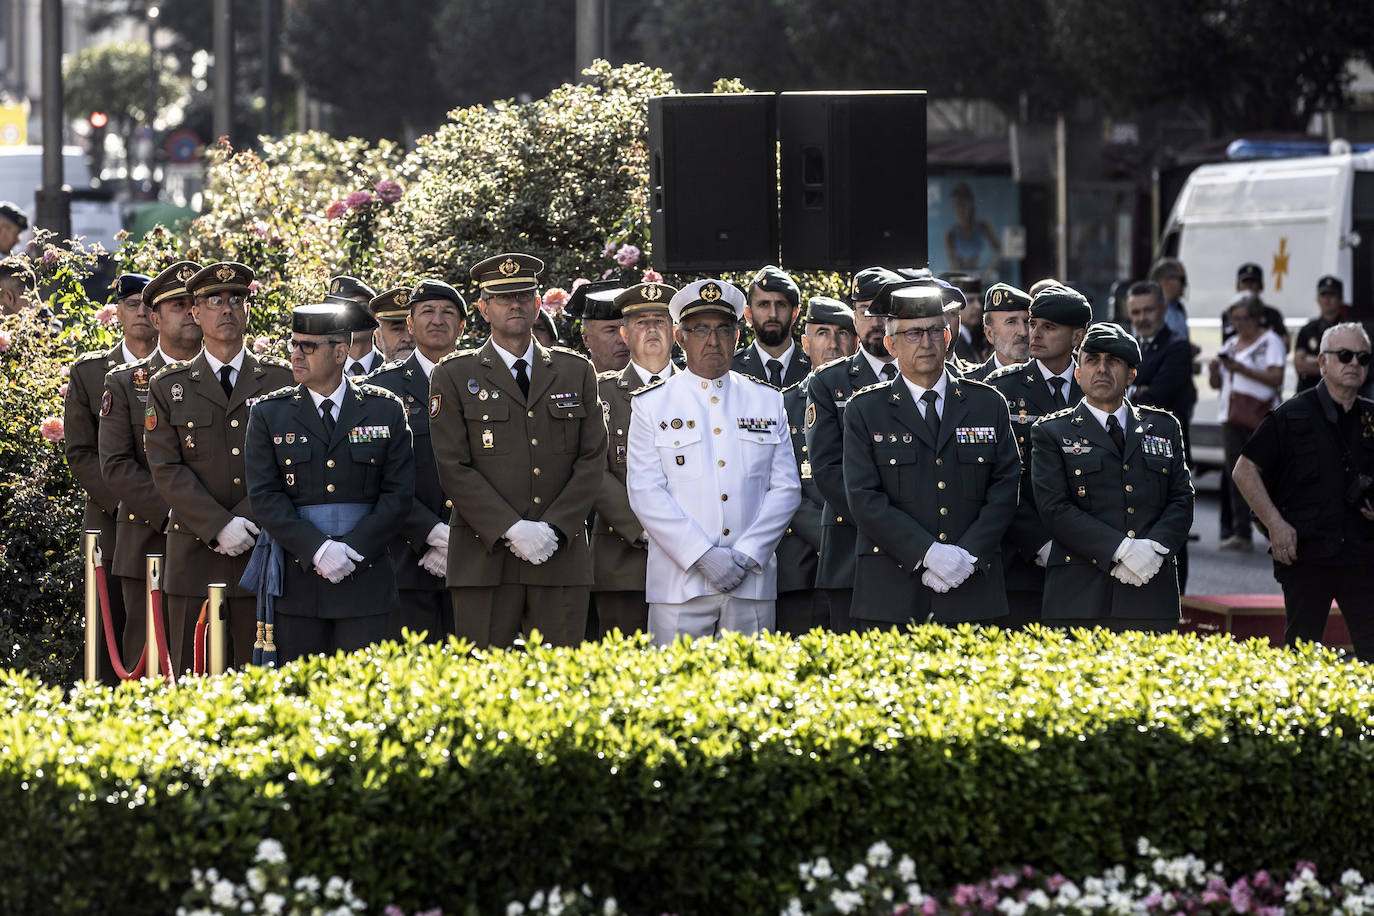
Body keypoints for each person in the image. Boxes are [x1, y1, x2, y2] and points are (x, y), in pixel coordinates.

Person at [430, 252, 607, 648]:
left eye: (524, 295)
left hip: (559, 554)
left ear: (538, 302)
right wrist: (511, 528)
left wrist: (555, 527)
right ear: (483, 308)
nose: (515, 304)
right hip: (484, 557)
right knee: (484, 685)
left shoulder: (576, 371)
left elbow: (592, 458)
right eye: (502, 297)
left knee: (561, 683)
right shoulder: (454, 375)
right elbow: (452, 465)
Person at [626, 279, 800, 644]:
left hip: (750, 581)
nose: (713, 340)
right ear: (680, 336)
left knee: (752, 689)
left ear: (738, 335)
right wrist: (702, 556)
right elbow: (645, 493)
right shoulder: (651, 404)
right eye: (700, 329)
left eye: (723, 329)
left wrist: (747, 555)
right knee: (674, 690)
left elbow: (785, 489)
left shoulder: (767, 400)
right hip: (679, 584)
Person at [843, 280, 1019, 628]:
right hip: (893, 590)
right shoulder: (864, 410)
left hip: (973, 585)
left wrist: (966, 556)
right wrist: (926, 552)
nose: (925, 342)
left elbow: (1005, 487)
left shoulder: (988, 404)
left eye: (934, 331)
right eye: (912, 334)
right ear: (891, 345)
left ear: (948, 338)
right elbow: (864, 499)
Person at [145, 261, 294, 670]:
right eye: (214, 301)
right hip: (194, 555)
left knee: (258, 683)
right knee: (191, 679)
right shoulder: (167, 387)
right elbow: (166, 468)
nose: (226, 309)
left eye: (236, 300)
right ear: (196, 312)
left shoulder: (279, 380)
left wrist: (244, 521)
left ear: (247, 310)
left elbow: (290, 463)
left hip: (260, 551)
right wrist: (217, 526)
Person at [244, 304, 413, 661]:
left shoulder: (386, 409)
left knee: (364, 701)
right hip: (299, 581)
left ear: (340, 352)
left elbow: (398, 495)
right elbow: (265, 496)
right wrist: (318, 550)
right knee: (299, 699)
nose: (296, 355)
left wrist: (353, 550)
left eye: (308, 346)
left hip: (365, 580)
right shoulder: (268, 413)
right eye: (294, 344)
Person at [1031, 323, 1193, 631]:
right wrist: (1123, 550)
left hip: (1150, 592)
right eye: (1092, 360)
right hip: (1079, 599)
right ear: (1078, 374)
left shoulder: (1164, 427)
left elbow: (1182, 499)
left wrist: (1155, 549)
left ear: (1132, 374)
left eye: (1113, 361)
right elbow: (1055, 509)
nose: (1102, 369)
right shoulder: (1051, 432)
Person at [1232, 322, 1374, 661]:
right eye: (1344, 356)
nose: (1354, 363)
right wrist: (1275, 524)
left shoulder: (1371, 417)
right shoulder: (1292, 414)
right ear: (1323, 363)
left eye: (1363, 357)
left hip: (1362, 555)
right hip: (1308, 555)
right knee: (1301, 654)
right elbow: (1244, 470)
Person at [98, 262, 203, 663]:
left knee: (208, 660)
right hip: (150, 539)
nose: (190, 312)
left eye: (195, 304)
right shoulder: (126, 382)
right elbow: (118, 465)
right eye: (178, 305)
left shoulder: (228, 379)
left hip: (218, 544)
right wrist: (182, 516)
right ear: (154, 317)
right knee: (147, 664)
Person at [64, 272, 154, 682]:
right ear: (116, 311)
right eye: (132, 304)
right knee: (110, 630)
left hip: (178, 515)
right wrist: (123, 501)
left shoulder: (183, 367)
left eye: (149, 305)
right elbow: (81, 452)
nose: (142, 313)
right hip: (111, 520)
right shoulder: (90, 372)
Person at [367, 279, 467, 642]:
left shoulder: (486, 380)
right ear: (410, 323)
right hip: (404, 559)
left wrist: (459, 536)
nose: (437, 320)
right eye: (427, 311)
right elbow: (373, 475)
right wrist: (428, 534)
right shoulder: (381, 389)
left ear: (463, 325)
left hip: (475, 556)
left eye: (447, 313)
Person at [985, 284, 1091, 625]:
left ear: (1077, 336)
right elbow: (997, 479)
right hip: (1020, 561)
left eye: (1049, 327)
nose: (1035, 334)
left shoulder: (1097, 384)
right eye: (1034, 324)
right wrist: (1040, 543)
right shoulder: (1002, 388)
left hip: (1089, 559)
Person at [806, 266, 903, 632]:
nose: (875, 321)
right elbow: (828, 471)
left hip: (925, 549)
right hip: (852, 547)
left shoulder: (932, 378)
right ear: (854, 317)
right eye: (865, 310)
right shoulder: (829, 381)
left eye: (884, 311)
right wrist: (896, 528)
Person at [591, 280, 678, 637]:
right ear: (624, 334)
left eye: (660, 321)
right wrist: (644, 530)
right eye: (642, 323)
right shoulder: (600, 392)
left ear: (676, 332)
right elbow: (591, 468)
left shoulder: (701, 390)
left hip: (694, 562)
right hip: (623, 562)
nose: (652, 329)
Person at [776, 296, 856, 635]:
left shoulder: (873, 401)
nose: (834, 343)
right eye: (822, 333)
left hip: (858, 563)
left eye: (842, 333)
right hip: (801, 567)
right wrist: (831, 536)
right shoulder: (782, 402)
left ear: (856, 340)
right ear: (805, 343)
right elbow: (783, 487)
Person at [1209, 292, 1285, 551]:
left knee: (1266, 475)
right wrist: (1213, 371)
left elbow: (1276, 378)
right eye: (1235, 318)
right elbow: (1216, 383)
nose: (1239, 324)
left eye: (1243, 318)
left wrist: (1243, 370)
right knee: (1236, 474)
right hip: (1231, 415)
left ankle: (1273, 528)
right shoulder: (1230, 344)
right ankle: (1242, 532)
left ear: (1255, 317)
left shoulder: (1270, 341)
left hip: (1261, 416)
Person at [1128, 281, 1197, 425]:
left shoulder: (1178, 347)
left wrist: (1126, 391)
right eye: (1136, 312)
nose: (1141, 318)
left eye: (1148, 310)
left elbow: (1157, 398)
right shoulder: (1128, 347)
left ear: (1163, 310)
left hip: (1165, 441)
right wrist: (1137, 390)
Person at [732, 265, 811, 388]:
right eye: (764, 304)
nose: (773, 314)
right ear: (748, 314)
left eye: (781, 304)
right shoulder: (730, 370)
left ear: (794, 313)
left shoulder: (814, 370)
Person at [1293, 275, 1351, 393]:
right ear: (1318, 299)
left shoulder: (1350, 330)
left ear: (1341, 299)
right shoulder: (1307, 329)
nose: (1327, 299)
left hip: (1341, 396)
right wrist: (1336, 362)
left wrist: (1313, 360)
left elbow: (1352, 366)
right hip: (1309, 393)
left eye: (1332, 295)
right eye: (1323, 295)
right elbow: (1299, 364)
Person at [965, 282, 1031, 382]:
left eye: (1027, 322)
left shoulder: (1048, 379)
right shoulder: (969, 384)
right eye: (1011, 322)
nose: (1023, 332)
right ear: (990, 334)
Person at [327, 276, 386, 377]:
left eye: (361, 308)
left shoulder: (389, 368)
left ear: (375, 315)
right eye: (345, 310)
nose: (354, 317)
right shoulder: (323, 371)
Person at [566, 279, 630, 374]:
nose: (622, 339)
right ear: (586, 339)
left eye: (627, 329)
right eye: (611, 331)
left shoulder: (654, 382)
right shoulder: (575, 386)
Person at [1224, 262, 1289, 350]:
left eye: (1253, 282)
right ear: (1238, 286)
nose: (1249, 286)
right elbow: (1227, 345)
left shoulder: (1273, 314)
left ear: (1261, 286)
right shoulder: (1229, 313)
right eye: (1245, 282)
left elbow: (1284, 344)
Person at [943, 182, 1000, 274]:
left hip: (982, 276)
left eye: (963, 205)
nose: (960, 210)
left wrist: (990, 269)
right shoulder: (950, 234)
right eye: (956, 206)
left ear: (971, 205)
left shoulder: (982, 226)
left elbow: (999, 250)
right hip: (961, 276)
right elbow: (952, 265)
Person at [940, 272, 989, 364]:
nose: (978, 306)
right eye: (970, 300)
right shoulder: (954, 341)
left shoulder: (975, 338)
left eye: (979, 300)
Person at [368, 286, 418, 363]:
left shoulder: (439, 374)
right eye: (397, 329)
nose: (407, 339)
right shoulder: (374, 375)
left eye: (412, 328)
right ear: (378, 338)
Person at [1147, 257, 1191, 342]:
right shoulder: (1149, 311)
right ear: (1166, 281)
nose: (1185, 284)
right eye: (1182, 279)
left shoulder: (1178, 308)